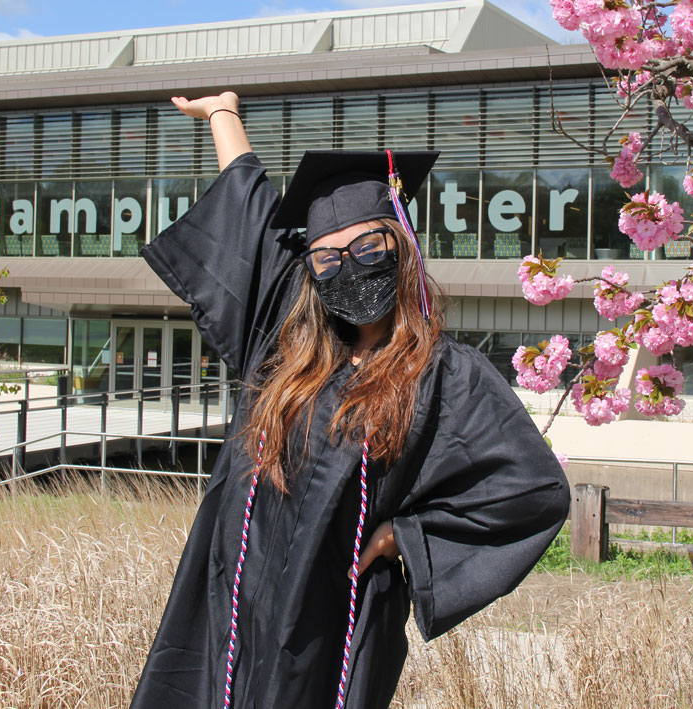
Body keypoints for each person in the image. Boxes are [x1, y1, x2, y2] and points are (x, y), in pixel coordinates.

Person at [131, 91, 570, 709]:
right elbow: (251, 212)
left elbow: (532, 489)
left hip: (329, 621)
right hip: (227, 604)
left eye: (368, 249)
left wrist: (405, 537)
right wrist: (222, 113)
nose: (349, 268)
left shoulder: (445, 376)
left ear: (401, 246)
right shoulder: (282, 342)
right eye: (327, 258)